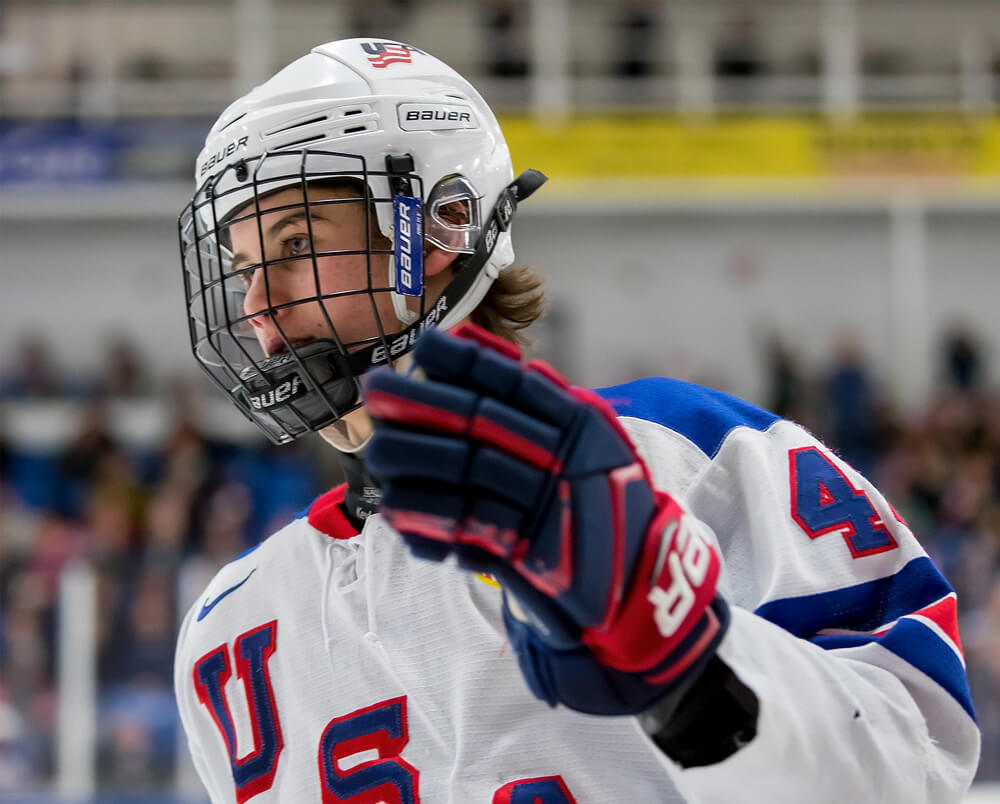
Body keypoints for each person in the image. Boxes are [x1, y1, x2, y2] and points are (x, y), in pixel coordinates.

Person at [173, 39, 980, 802]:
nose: (257, 307)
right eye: (245, 267)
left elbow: (913, 772)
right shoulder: (232, 631)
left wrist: (688, 661)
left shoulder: (691, 453)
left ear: (442, 225)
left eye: (296, 244)